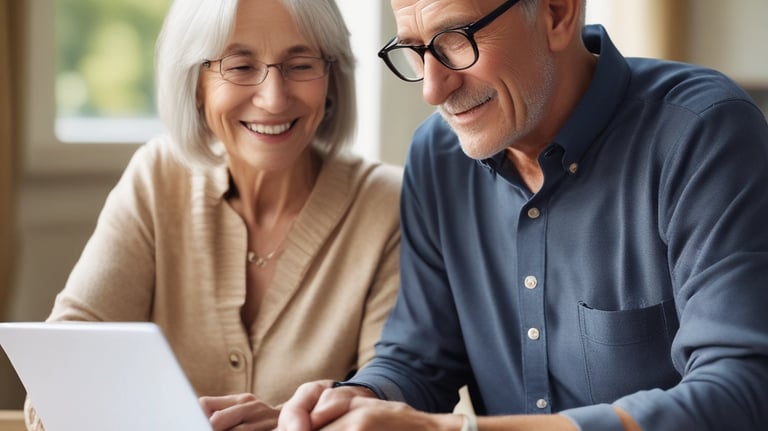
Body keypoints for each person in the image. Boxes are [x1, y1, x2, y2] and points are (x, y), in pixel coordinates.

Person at [265, 0, 768, 430]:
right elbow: (420, 359)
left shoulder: (703, 132)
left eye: (455, 39)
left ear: (555, 12)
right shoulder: (437, 155)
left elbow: (743, 391)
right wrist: (355, 403)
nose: (433, 89)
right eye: (416, 50)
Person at [23, 0, 402, 430]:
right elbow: (54, 386)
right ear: (195, 84)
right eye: (240, 67)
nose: (274, 99)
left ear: (332, 79)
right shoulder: (159, 179)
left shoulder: (388, 205)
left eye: (300, 65)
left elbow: (390, 409)